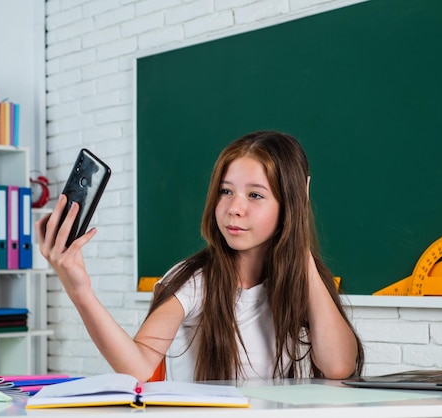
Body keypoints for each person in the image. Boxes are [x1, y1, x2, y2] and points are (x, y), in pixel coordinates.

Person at [35, 130, 364, 382]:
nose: (235, 208)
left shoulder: (308, 278)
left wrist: (299, 239)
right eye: (226, 191)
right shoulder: (195, 280)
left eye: (255, 195)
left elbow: (338, 366)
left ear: (291, 202)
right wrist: (80, 293)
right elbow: (138, 367)